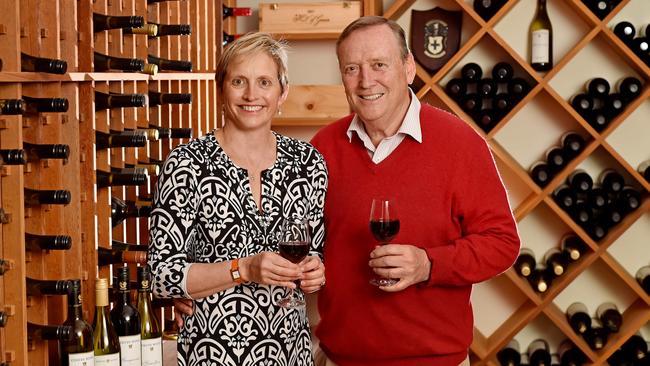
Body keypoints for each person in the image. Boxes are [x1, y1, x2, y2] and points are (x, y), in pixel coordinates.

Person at [308, 16, 521, 366]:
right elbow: (297, 242)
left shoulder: (460, 144)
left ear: (408, 68)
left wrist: (427, 264)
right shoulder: (323, 148)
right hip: (340, 359)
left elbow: (502, 243)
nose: (366, 81)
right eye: (351, 68)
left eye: (379, 65)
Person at [148, 32, 328, 366]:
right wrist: (243, 268)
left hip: (290, 354)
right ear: (220, 89)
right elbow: (161, 275)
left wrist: (316, 271)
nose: (251, 95)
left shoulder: (308, 163)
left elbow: (313, 251)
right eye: (238, 81)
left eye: (264, 82)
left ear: (282, 92)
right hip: (213, 353)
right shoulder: (187, 163)